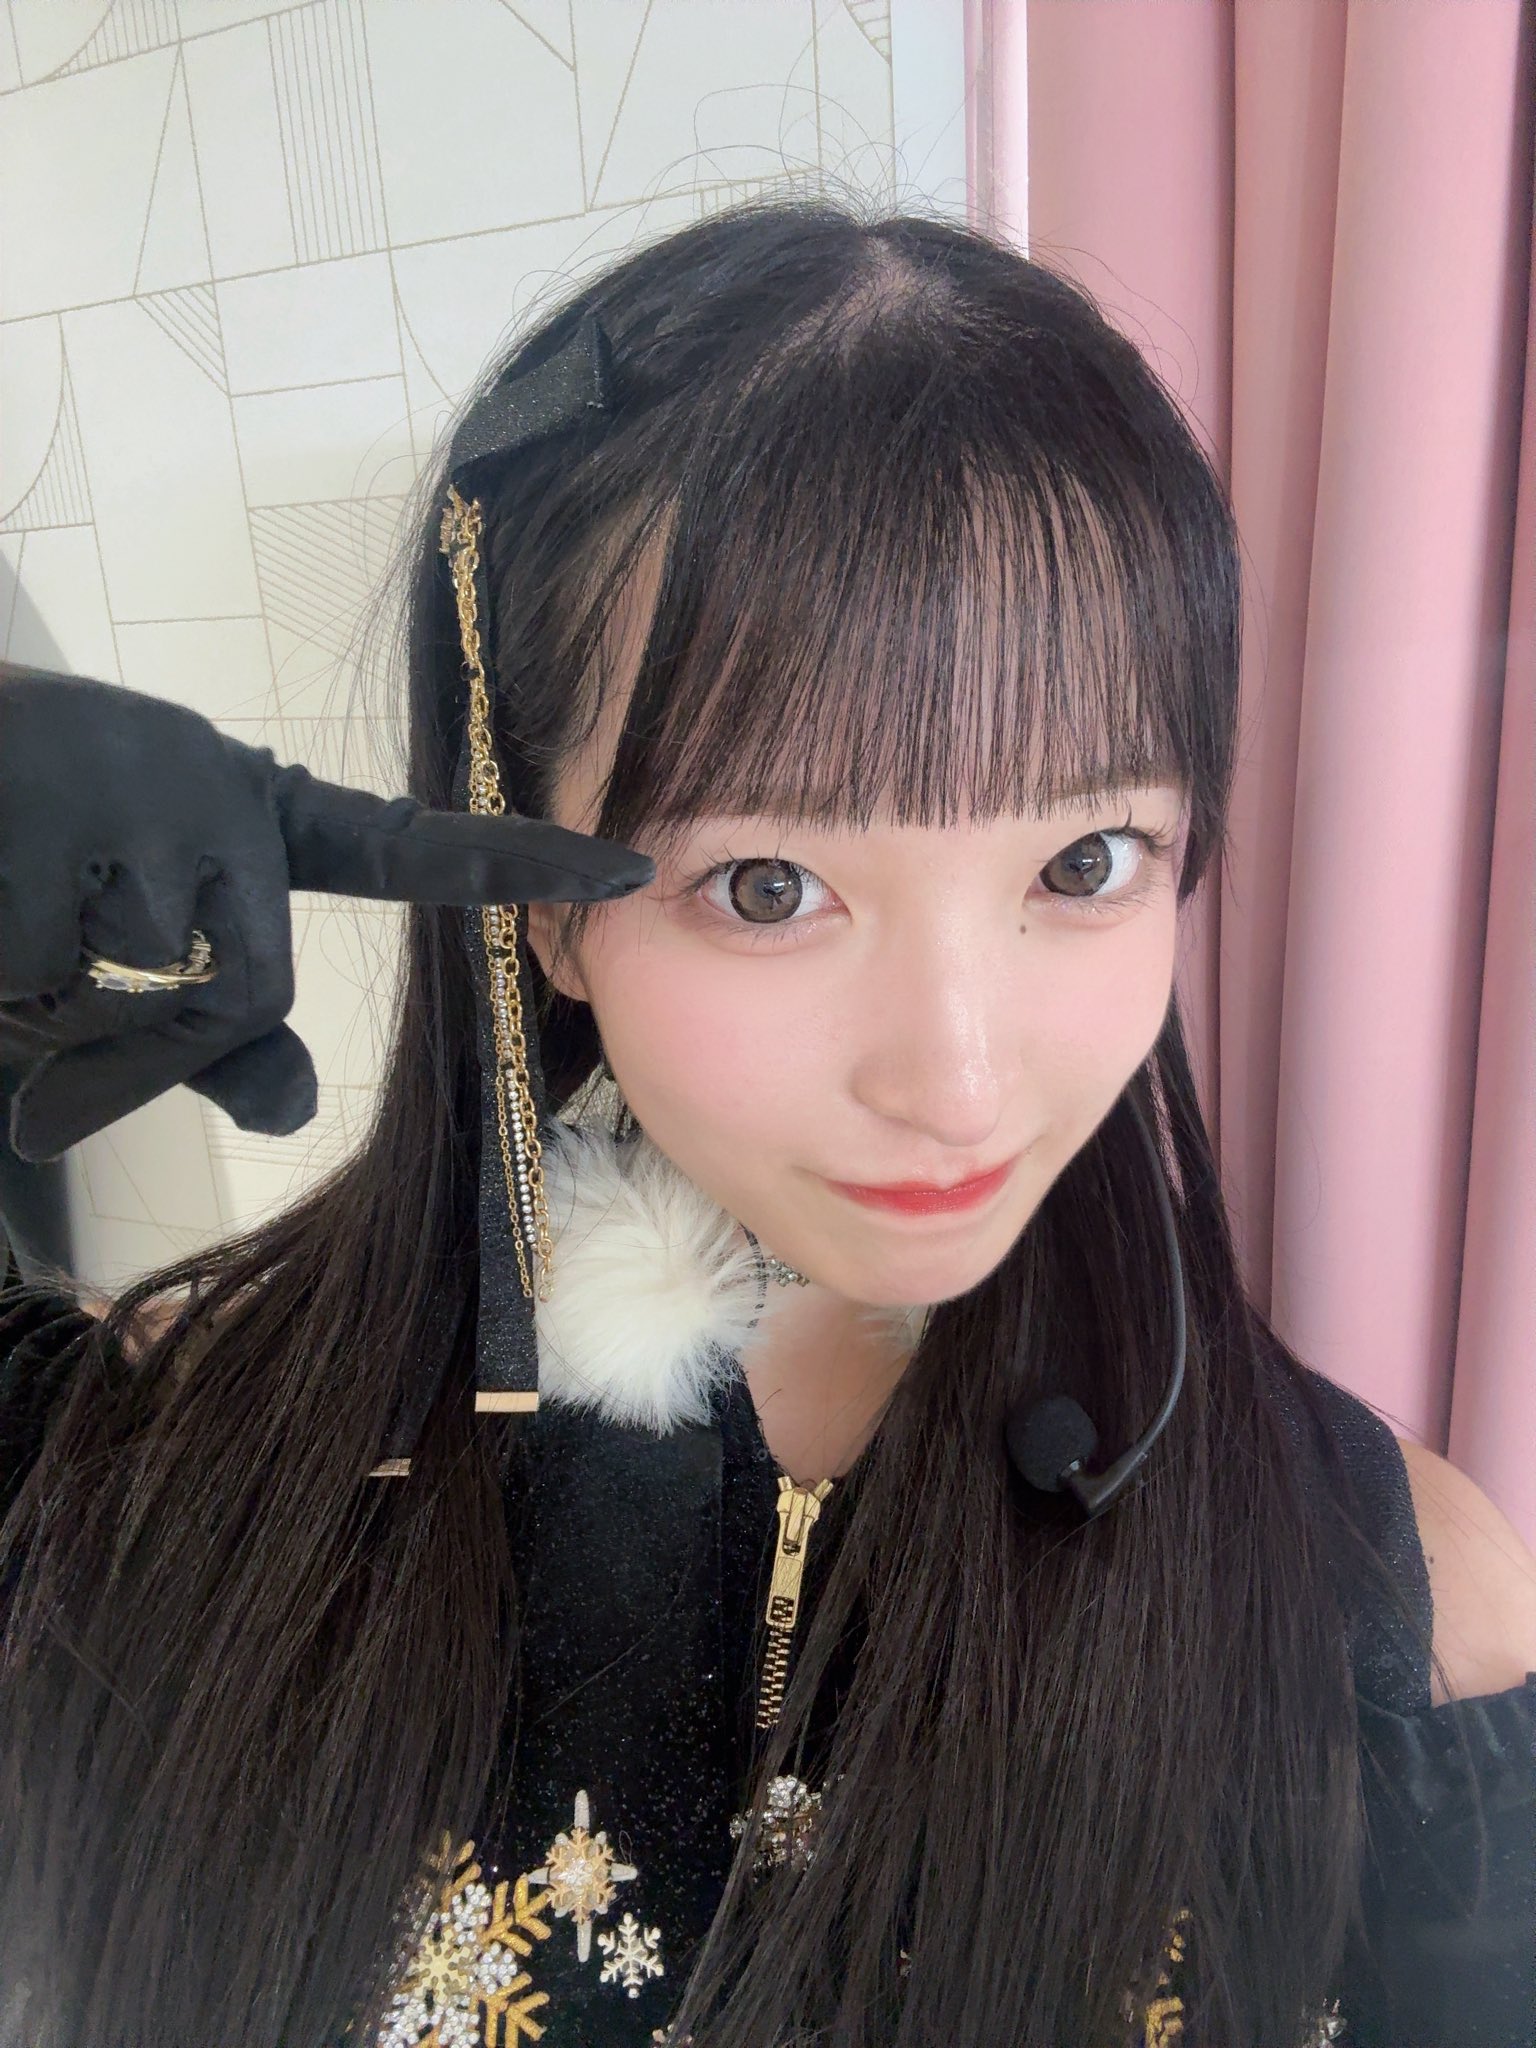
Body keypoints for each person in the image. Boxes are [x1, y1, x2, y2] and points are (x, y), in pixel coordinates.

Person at [0, 198, 1530, 2048]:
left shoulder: (1404, 1615)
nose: (958, 1080)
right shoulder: (171, 1466)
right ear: (539, 900)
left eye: (1085, 861)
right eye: (770, 887)